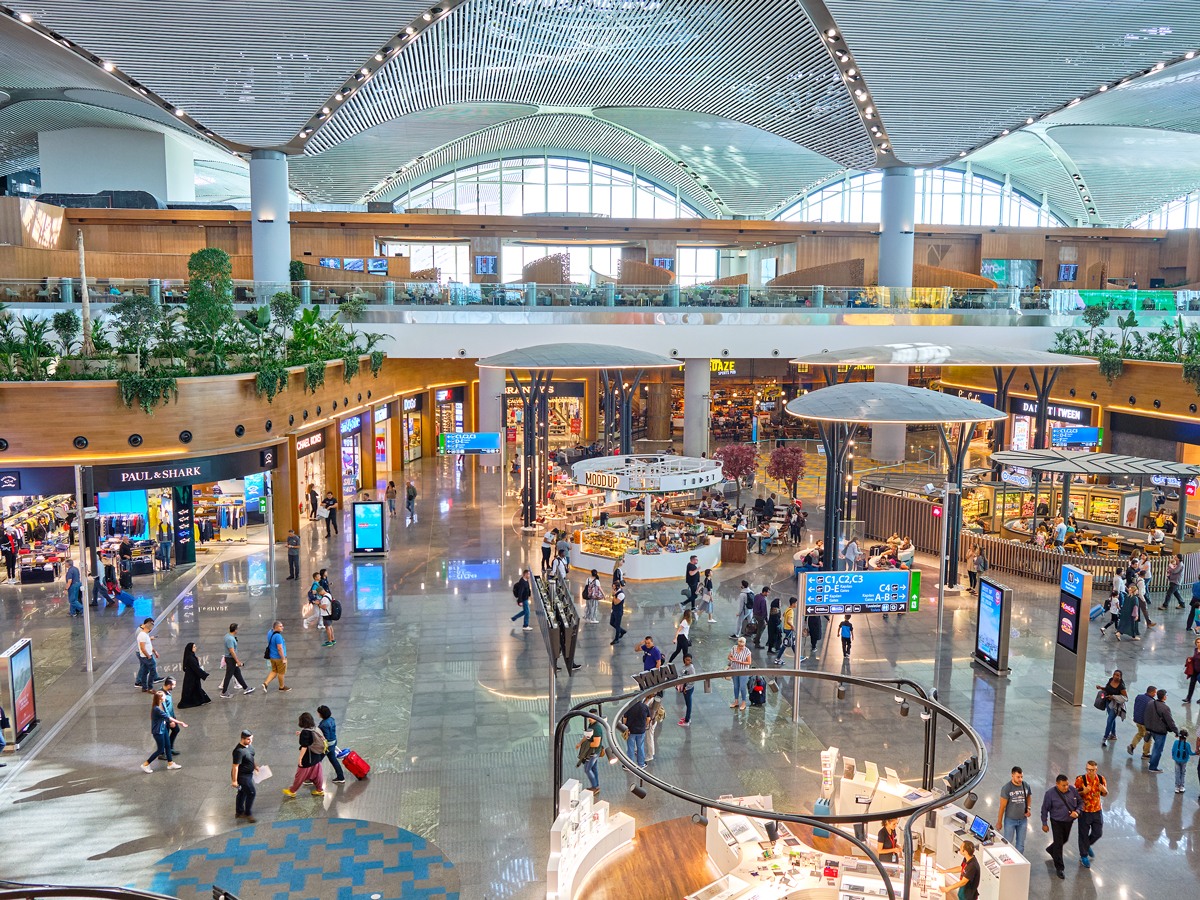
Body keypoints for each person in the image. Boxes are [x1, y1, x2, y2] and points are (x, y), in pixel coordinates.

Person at [1040, 774, 1081, 879]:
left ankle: (1050, 849)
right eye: (1063, 785)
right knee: (1058, 843)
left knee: (1065, 839)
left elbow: (1080, 802)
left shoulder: (1073, 790)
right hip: (1056, 821)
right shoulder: (1050, 794)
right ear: (1057, 784)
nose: (1066, 787)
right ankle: (1059, 868)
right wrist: (1044, 823)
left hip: (1069, 821)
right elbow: (1044, 809)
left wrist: (1077, 811)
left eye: (1067, 784)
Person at [283, 712, 325, 797]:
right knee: (317, 774)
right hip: (317, 756)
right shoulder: (314, 729)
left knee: (300, 775)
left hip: (308, 758)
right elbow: (311, 738)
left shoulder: (305, 732)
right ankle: (320, 790)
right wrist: (301, 734)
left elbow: (304, 746)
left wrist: (300, 758)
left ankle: (292, 791)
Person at [141, 690, 184, 773]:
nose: (165, 697)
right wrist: (180, 722)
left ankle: (170, 763)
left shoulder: (163, 704)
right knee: (160, 750)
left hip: (163, 728)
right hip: (158, 731)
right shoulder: (156, 709)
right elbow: (167, 717)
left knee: (167, 745)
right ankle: (145, 764)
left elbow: (167, 714)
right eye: (164, 696)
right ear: (160, 699)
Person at [1073, 761, 1107, 866]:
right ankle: (1083, 855)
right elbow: (1073, 794)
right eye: (1087, 769)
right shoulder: (1080, 780)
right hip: (1084, 811)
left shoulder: (1101, 779)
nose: (1089, 772)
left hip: (1097, 810)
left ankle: (1086, 845)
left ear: (1096, 770)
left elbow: (1105, 793)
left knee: (1098, 833)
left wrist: (1105, 791)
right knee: (1083, 834)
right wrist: (1084, 792)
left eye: (1091, 770)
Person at [997, 766, 1031, 854]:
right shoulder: (1007, 788)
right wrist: (999, 822)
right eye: (1018, 777)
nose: (1020, 779)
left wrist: (1028, 808)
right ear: (1012, 776)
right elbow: (1002, 806)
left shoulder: (1025, 785)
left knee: (1021, 844)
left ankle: (1018, 863)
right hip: (1010, 820)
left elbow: (1029, 796)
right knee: (1007, 843)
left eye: (1021, 777)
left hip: (1023, 820)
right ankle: (1006, 860)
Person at [1145, 688, 1178, 773]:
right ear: (1164, 697)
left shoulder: (1151, 703)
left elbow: (1147, 715)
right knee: (1158, 749)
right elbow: (1170, 721)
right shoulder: (1165, 708)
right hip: (1160, 731)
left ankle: (1152, 761)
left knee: (1155, 747)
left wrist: (1147, 727)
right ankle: (1153, 767)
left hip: (1151, 728)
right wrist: (1176, 731)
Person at [221, 623, 253, 697]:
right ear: (235, 630)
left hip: (230, 659)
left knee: (237, 673)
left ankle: (246, 688)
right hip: (230, 659)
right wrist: (237, 661)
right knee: (228, 676)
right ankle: (224, 692)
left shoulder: (227, 636)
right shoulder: (230, 639)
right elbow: (232, 651)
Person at [232, 731, 259, 821]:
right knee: (251, 793)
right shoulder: (239, 751)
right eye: (248, 739)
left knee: (242, 792)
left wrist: (255, 766)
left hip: (249, 774)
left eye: (251, 738)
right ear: (242, 739)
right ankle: (247, 814)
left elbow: (251, 757)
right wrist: (234, 781)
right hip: (242, 776)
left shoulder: (249, 746)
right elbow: (235, 767)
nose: (250, 741)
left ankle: (239, 812)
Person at [317, 704, 347, 784]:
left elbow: (326, 736)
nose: (318, 714)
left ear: (321, 714)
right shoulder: (331, 720)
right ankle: (340, 777)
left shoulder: (323, 724)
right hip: (333, 743)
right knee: (333, 760)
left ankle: (312, 779)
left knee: (316, 761)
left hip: (327, 745)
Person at [1097, 669, 1126, 747]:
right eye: (1114, 674)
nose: (1115, 676)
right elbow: (1107, 689)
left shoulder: (1121, 686)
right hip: (1108, 702)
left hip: (1115, 706)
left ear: (1120, 677)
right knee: (1111, 718)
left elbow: (1125, 697)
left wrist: (1114, 697)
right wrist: (1101, 688)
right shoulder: (1110, 680)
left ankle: (1105, 738)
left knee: (1109, 720)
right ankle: (1113, 734)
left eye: (1117, 675)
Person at [178, 643, 211, 708]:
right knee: (193, 689)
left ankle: (201, 700)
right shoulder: (191, 659)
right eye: (194, 647)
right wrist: (204, 674)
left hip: (192, 676)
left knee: (195, 688)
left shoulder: (190, 656)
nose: (195, 648)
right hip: (191, 678)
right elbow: (196, 668)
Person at [1128, 684, 1156, 758]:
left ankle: (1132, 745)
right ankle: (1145, 753)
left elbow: (1135, 707)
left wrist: (1135, 717)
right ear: (1151, 692)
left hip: (1138, 720)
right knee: (1148, 738)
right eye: (1155, 692)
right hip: (1145, 723)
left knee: (1140, 733)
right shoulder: (1151, 701)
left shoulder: (1139, 696)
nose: (1155, 694)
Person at [620, 697, 650, 767]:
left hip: (631, 731)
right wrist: (644, 726)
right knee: (640, 747)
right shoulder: (645, 707)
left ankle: (630, 765)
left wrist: (625, 727)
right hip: (641, 731)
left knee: (630, 747)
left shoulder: (629, 707)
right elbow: (648, 718)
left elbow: (624, 720)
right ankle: (641, 764)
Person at [263, 621, 290, 693]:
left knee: (274, 671)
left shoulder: (269, 632)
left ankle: (265, 683)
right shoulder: (278, 636)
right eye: (280, 626)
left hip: (272, 656)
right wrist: (283, 658)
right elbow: (280, 648)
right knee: (281, 672)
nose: (282, 627)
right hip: (279, 658)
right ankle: (281, 687)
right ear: (276, 627)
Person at [575, 726, 604, 795]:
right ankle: (596, 786)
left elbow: (596, 743)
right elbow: (586, 736)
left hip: (593, 753)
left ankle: (594, 786)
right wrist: (580, 743)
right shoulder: (591, 725)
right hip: (594, 752)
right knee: (594, 768)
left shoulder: (597, 728)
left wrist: (584, 744)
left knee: (587, 769)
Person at [135, 618, 161, 692]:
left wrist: (154, 652)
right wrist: (149, 656)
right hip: (146, 657)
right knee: (152, 670)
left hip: (147, 655)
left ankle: (144, 687)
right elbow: (143, 648)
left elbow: (149, 644)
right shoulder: (142, 635)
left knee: (145, 671)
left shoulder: (145, 634)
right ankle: (150, 687)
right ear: (149, 628)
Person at [728, 636, 752, 710]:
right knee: (736, 686)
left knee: (742, 687)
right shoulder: (734, 648)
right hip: (735, 670)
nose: (740, 647)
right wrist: (732, 659)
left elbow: (749, 662)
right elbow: (729, 657)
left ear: (744, 644)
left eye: (742, 646)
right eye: (739, 645)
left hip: (743, 671)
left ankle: (743, 703)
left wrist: (740, 662)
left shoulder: (747, 651)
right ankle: (736, 701)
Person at [775, 597, 798, 664]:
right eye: (796, 603)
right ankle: (778, 658)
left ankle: (798, 657)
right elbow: (788, 621)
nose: (796, 604)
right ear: (793, 604)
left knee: (792, 643)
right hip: (789, 629)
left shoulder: (788, 609)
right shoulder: (791, 611)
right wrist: (792, 626)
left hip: (785, 628)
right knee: (785, 644)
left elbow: (784, 615)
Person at [161, 677, 182, 753]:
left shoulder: (168, 692)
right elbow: (164, 709)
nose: (175, 686)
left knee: (176, 730)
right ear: (169, 685)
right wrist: (170, 721)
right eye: (173, 685)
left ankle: (169, 747)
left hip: (171, 717)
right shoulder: (162, 694)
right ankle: (161, 752)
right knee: (164, 736)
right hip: (166, 719)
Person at [1172, 729, 1193, 793]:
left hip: (1176, 759)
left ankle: (1176, 787)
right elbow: (1190, 753)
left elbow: (1173, 750)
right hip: (1184, 760)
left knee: (1177, 773)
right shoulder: (1187, 744)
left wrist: (1173, 755)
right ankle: (1181, 786)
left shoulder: (1176, 742)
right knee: (1183, 773)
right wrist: (1196, 753)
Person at [678, 653, 695, 726]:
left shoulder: (691, 668)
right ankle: (687, 717)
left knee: (689, 704)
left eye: (689, 660)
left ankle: (687, 721)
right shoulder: (685, 666)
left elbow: (692, 679)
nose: (688, 661)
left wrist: (687, 688)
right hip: (685, 686)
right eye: (686, 660)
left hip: (688, 688)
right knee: (687, 703)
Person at [1184, 637, 1200, 703]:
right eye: (1198, 642)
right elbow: (1195, 657)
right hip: (1195, 669)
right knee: (1192, 684)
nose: (1199, 644)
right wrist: (1191, 659)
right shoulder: (1196, 650)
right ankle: (1188, 698)